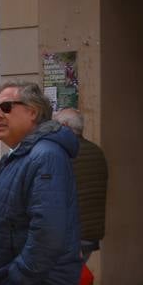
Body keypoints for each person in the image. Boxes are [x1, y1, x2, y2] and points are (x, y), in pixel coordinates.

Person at [0, 81, 81, 285]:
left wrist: (18, 277)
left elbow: (48, 231)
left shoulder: (45, 155)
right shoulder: (24, 154)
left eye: (6, 107)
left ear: (33, 112)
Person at [54, 107, 108, 260]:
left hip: (69, 235)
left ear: (64, 127)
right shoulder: (97, 151)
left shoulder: (63, 153)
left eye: (55, 126)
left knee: (62, 281)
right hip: (90, 233)